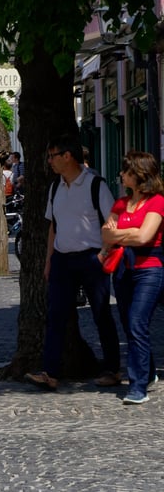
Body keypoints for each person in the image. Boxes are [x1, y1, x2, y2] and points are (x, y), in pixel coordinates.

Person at [27, 136, 120, 390]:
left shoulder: (95, 185)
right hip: (62, 259)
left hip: (91, 257)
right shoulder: (55, 187)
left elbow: (112, 221)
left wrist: (103, 254)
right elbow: (53, 228)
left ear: (67, 156)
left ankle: (112, 368)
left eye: (52, 156)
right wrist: (49, 261)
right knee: (55, 315)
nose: (49, 162)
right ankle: (50, 372)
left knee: (102, 312)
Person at [100, 151, 164, 404]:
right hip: (124, 270)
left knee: (137, 322)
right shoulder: (120, 203)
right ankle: (147, 371)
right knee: (128, 324)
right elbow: (106, 234)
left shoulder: (157, 201)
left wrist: (121, 234)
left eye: (126, 171)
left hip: (150, 268)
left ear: (139, 174)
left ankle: (138, 386)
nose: (121, 175)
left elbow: (144, 237)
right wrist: (129, 233)